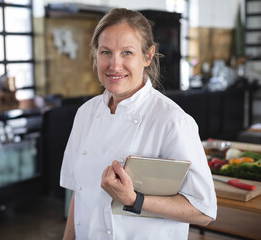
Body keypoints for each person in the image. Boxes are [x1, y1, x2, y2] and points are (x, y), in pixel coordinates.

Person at [60, 8, 217, 240]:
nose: (114, 65)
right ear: (95, 54)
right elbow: (79, 194)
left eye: (126, 53)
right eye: (106, 52)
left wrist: (134, 200)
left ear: (147, 56)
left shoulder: (173, 121)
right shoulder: (85, 113)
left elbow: (204, 211)